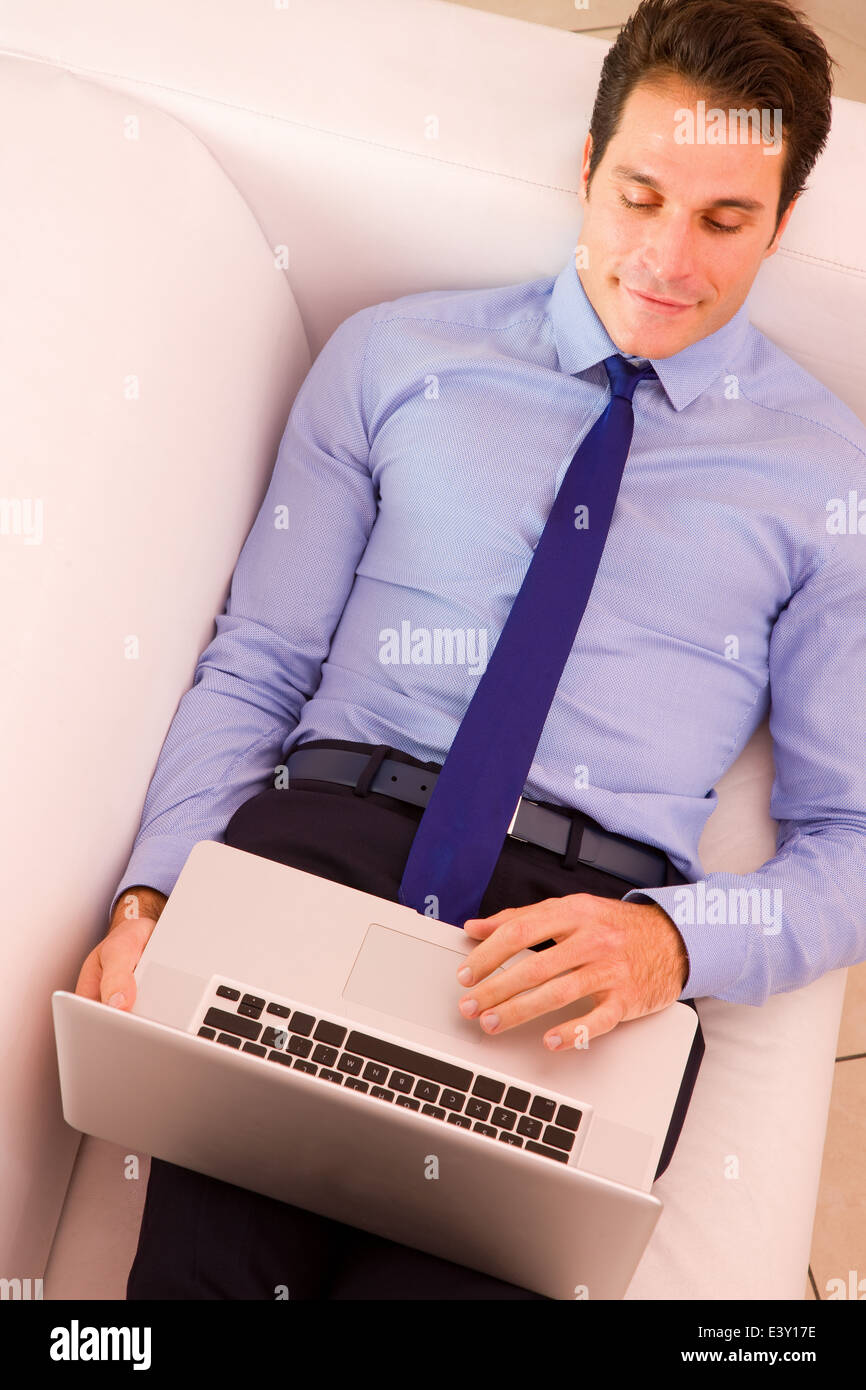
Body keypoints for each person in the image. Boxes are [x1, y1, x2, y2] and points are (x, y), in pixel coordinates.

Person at [76, 0, 865, 1300]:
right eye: (639, 195)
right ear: (586, 168)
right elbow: (259, 660)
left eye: (723, 221)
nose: (666, 257)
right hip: (317, 853)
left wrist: (667, 945)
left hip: (575, 948)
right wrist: (159, 891)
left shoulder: (827, 478)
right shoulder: (392, 357)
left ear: (778, 224)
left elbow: (848, 835)